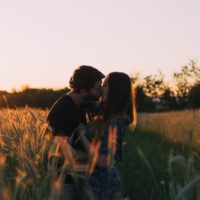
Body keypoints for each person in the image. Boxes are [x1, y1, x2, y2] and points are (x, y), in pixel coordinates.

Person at [46, 65, 105, 200]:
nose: (101, 91)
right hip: (65, 183)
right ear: (84, 92)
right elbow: (60, 152)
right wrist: (94, 158)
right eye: (97, 88)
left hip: (78, 178)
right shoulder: (64, 110)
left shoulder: (79, 104)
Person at [87, 72, 137, 200]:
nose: (101, 88)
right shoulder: (108, 116)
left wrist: (81, 136)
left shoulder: (116, 124)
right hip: (96, 184)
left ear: (115, 91)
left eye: (105, 85)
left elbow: (104, 161)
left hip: (104, 186)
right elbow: (86, 103)